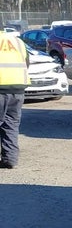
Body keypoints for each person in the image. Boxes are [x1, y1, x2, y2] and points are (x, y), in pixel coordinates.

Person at [0, 30, 29, 168]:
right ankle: (10, 160)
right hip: (17, 89)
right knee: (11, 124)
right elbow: (26, 63)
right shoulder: (17, 41)